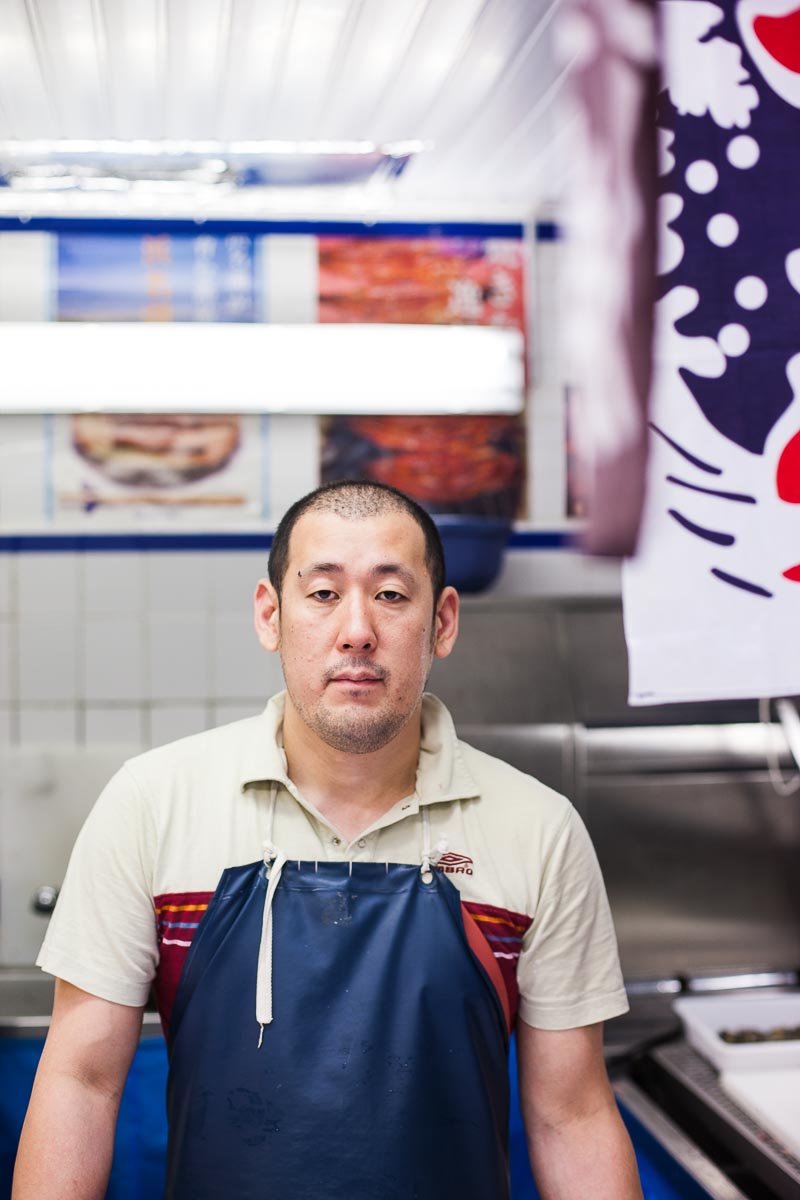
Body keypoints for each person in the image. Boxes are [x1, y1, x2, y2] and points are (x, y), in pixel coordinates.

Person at [13, 480, 642, 1200]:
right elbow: (81, 1082)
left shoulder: (539, 829)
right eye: (321, 594)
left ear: (442, 623)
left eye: (391, 595)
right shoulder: (154, 804)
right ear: (269, 615)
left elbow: (573, 1115)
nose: (356, 631)